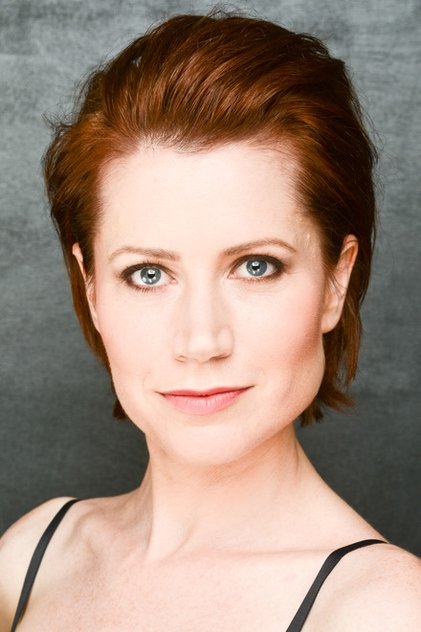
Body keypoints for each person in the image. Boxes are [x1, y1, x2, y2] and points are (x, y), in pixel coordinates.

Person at [0, 9, 420, 631]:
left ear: (336, 280)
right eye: (148, 273)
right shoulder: (33, 556)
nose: (201, 340)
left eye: (255, 266)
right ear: (91, 289)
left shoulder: (385, 611)